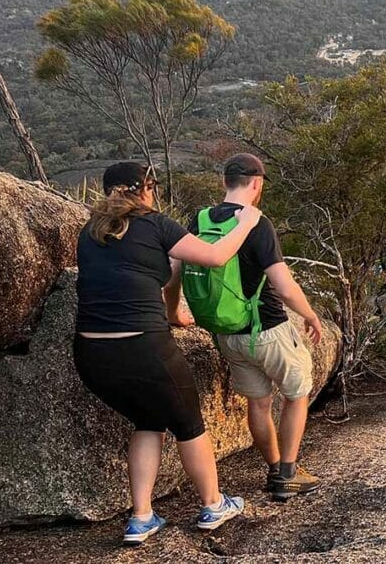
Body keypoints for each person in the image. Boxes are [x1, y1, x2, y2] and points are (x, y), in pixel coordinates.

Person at [73, 162, 260, 546]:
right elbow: (214, 256)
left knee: (148, 420)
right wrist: (246, 223)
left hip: (92, 356)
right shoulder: (155, 224)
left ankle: (141, 517)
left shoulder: (90, 232)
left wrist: (173, 314)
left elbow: (145, 277)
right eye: (152, 184)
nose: (154, 191)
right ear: (143, 189)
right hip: (142, 347)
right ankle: (213, 504)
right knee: (189, 424)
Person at [166, 153, 325, 502]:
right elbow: (284, 286)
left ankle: (274, 468)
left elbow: (174, 273)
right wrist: (311, 315)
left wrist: (173, 312)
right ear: (256, 183)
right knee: (297, 393)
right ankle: (287, 474)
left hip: (228, 333)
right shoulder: (257, 223)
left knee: (259, 402)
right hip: (267, 328)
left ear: (225, 182)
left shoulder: (200, 218)